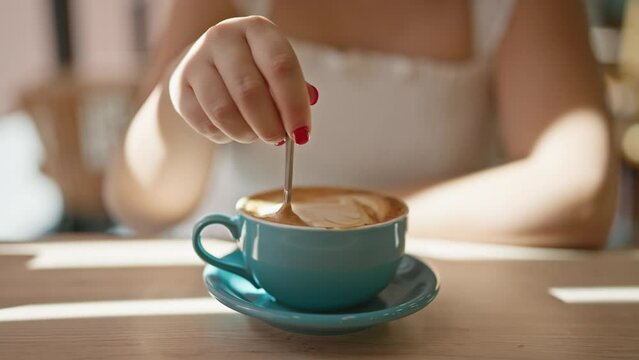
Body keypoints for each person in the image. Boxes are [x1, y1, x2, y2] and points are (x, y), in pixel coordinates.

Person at [105, 0, 617, 248]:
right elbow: (138, 202)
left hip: (432, 311)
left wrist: (331, 224)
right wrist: (183, 93)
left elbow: (580, 193)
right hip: (228, 296)